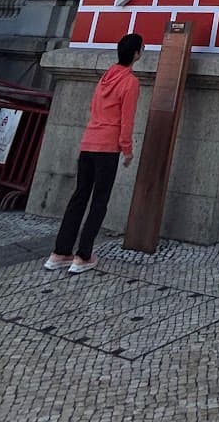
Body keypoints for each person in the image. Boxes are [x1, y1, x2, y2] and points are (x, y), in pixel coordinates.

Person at [44, 32, 143, 275]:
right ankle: (83, 255)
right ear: (136, 54)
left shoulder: (105, 77)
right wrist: (127, 150)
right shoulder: (130, 82)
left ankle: (59, 252)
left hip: (88, 142)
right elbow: (127, 119)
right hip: (107, 147)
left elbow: (93, 107)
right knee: (99, 201)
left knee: (79, 197)